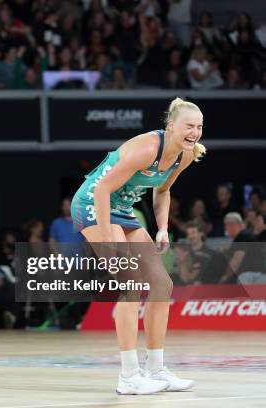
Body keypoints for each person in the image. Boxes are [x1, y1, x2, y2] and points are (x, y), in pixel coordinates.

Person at [71, 97, 204, 394]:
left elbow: (163, 191)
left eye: (199, 127)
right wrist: (108, 236)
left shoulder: (185, 154)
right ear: (171, 127)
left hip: (124, 211)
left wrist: (163, 228)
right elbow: (103, 188)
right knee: (130, 284)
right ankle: (128, 377)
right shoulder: (145, 148)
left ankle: (155, 370)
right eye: (189, 126)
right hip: (94, 204)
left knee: (161, 285)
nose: (194, 132)